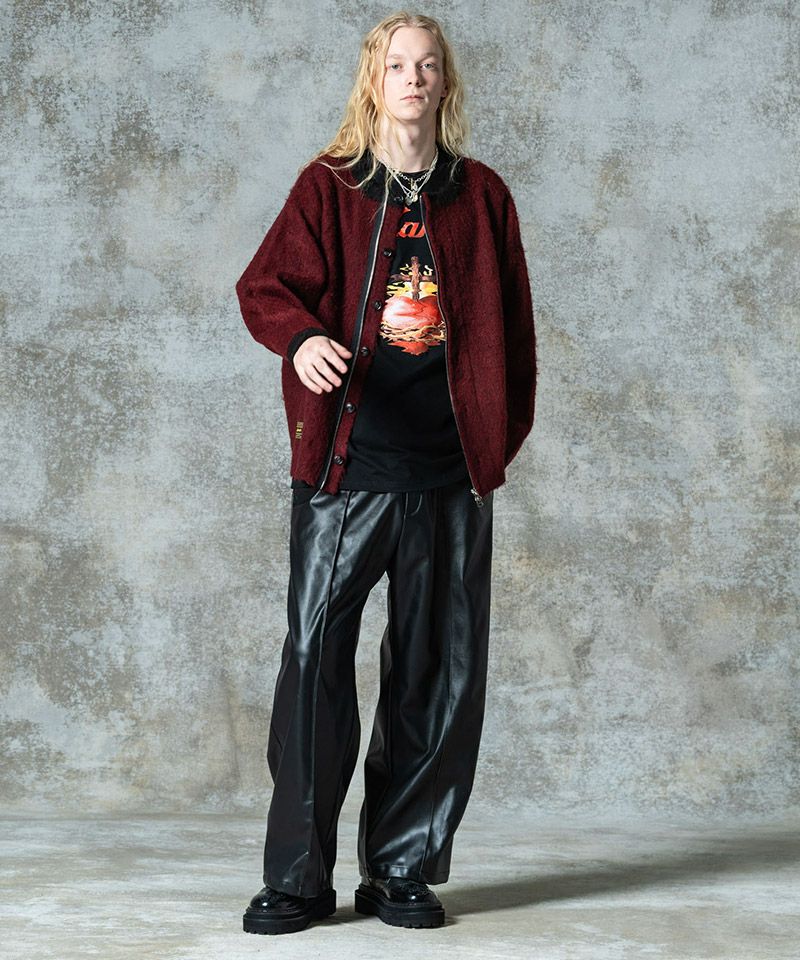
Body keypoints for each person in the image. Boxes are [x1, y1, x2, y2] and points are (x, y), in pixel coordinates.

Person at [235, 10, 537, 936]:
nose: (413, 78)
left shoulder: (481, 196)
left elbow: (516, 331)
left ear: (446, 83)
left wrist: (492, 441)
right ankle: (298, 877)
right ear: (374, 81)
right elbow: (264, 288)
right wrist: (303, 338)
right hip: (347, 469)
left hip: (448, 475)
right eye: (397, 64)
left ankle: (401, 869)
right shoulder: (329, 188)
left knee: (436, 670)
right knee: (314, 661)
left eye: (428, 65)